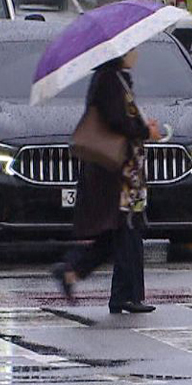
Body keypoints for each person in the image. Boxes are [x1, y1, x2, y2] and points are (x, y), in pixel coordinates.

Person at [52, 50, 162, 314]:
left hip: (124, 173)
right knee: (128, 229)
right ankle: (127, 295)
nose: (136, 54)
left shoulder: (116, 78)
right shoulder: (109, 80)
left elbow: (124, 118)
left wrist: (142, 125)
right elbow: (118, 120)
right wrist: (146, 130)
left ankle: (74, 272)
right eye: (133, 49)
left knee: (122, 232)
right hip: (118, 174)